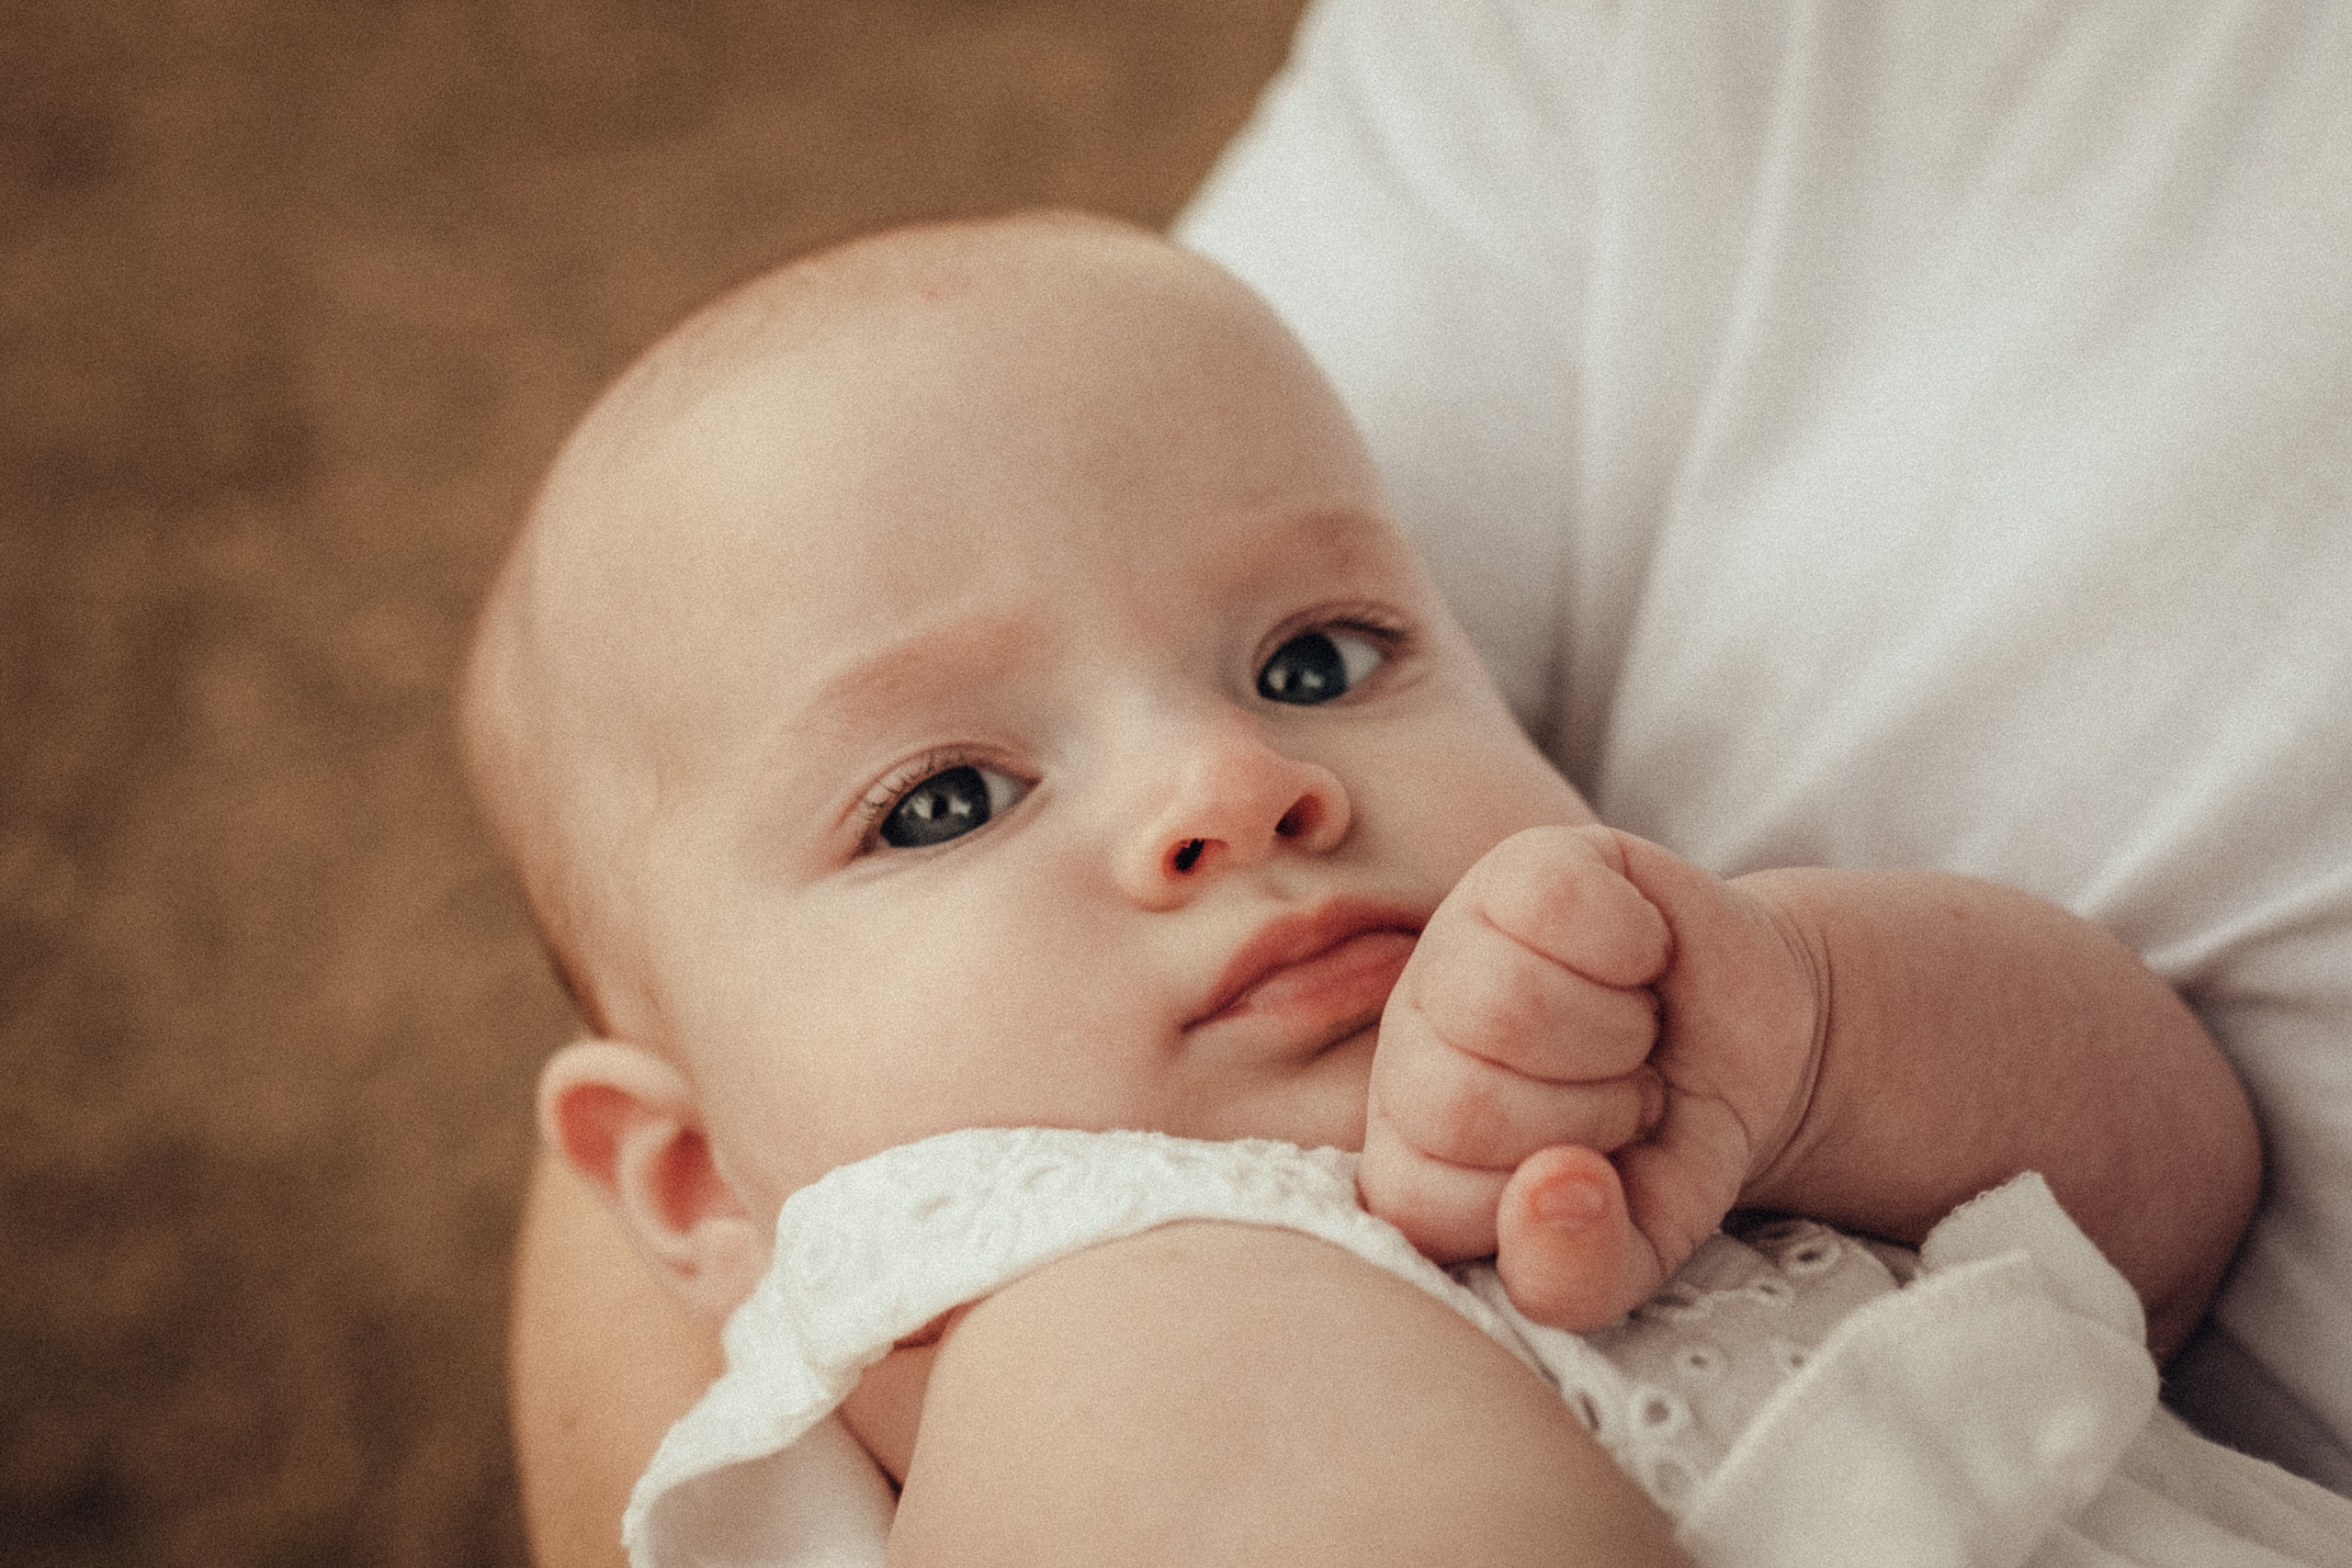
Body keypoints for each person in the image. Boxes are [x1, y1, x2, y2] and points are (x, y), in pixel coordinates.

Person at [464, 211, 2331, 1566]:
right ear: (696, 1183)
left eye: (1313, 662)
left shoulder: (1654, 1054)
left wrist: (1811, 1019)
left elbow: (2176, 1192)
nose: (1233, 785)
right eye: (946, 796)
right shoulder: (1098, 1308)